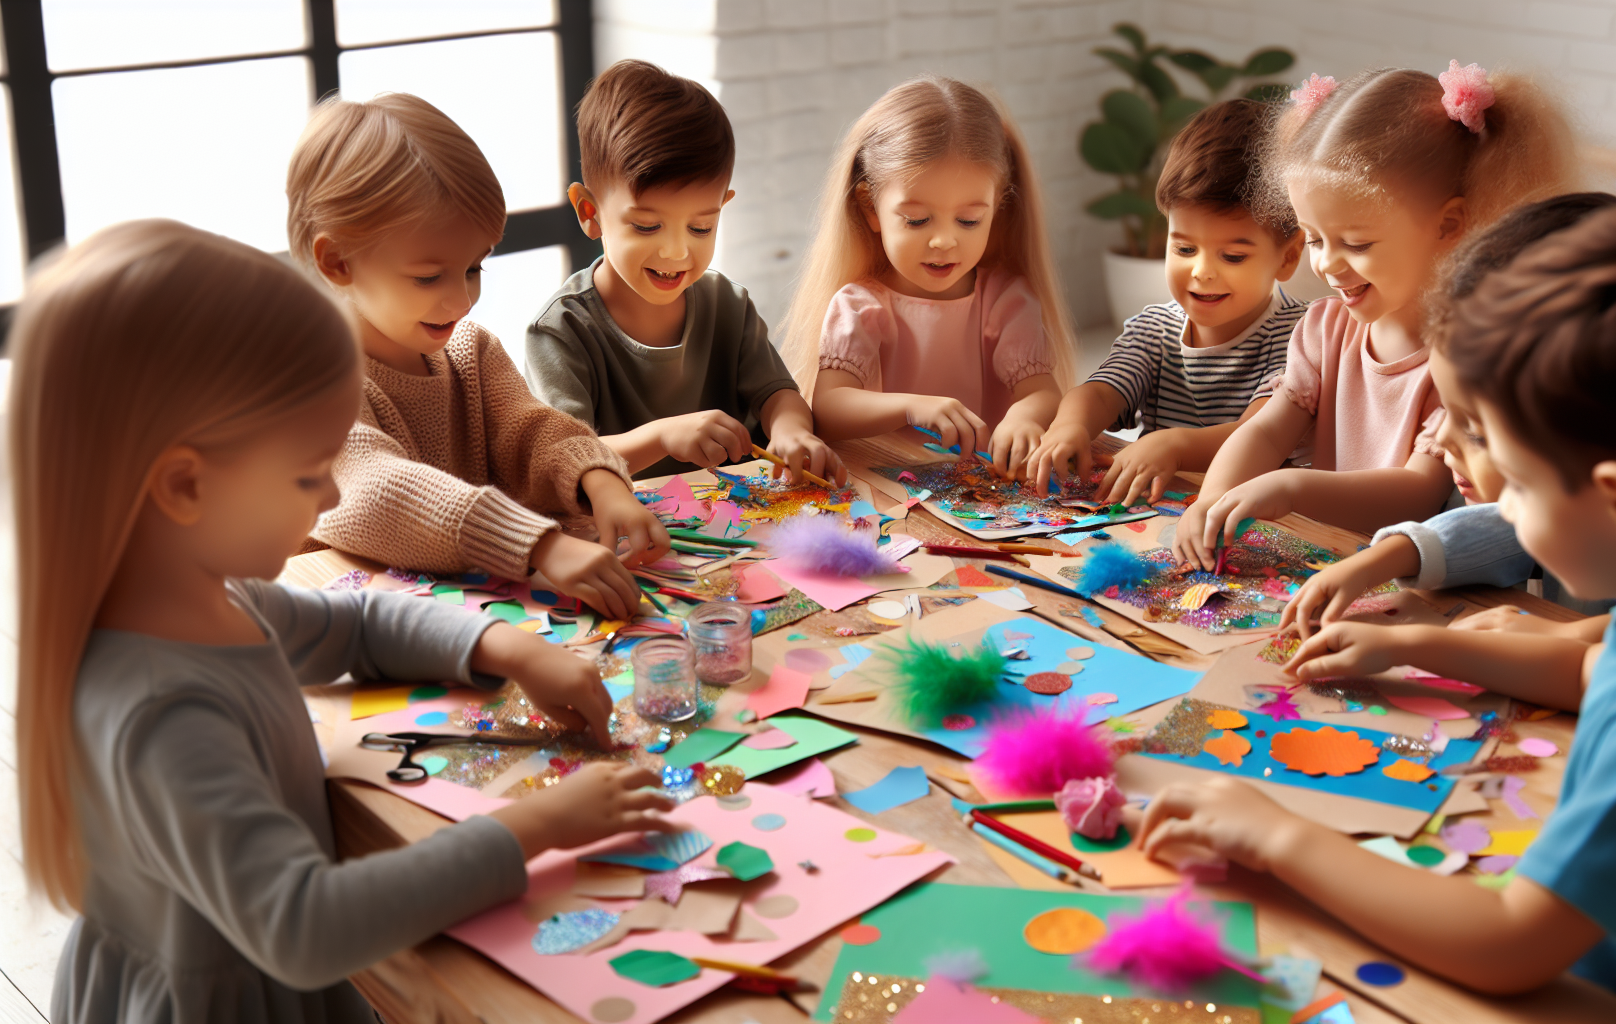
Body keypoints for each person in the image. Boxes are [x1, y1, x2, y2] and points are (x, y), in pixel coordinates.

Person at [14, 221, 677, 1024]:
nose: (329, 502)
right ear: (184, 487)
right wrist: (538, 827)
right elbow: (305, 926)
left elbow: (354, 624)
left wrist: (502, 645)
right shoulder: (161, 709)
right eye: (305, 476)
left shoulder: (209, 596)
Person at [1144, 199, 1616, 1021]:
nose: (1499, 506)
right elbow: (1593, 664)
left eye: (1514, 483)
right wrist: (1422, 646)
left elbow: (1509, 944)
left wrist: (1276, 835)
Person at [1175, 62, 1575, 566]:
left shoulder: (1465, 356)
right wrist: (1213, 498)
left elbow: (1418, 492)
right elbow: (1265, 429)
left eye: (1357, 243)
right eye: (1314, 238)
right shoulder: (1326, 326)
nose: (1325, 264)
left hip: (1419, 578)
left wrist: (1292, 486)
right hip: (1324, 560)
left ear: (1448, 225)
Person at [288, 93, 666, 617]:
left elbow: (531, 431)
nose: (462, 300)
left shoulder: (471, 349)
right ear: (337, 262)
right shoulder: (310, 381)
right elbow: (377, 490)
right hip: (339, 635)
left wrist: (599, 481)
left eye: (474, 268)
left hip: (463, 624)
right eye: (428, 276)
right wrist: (541, 546)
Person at [1280, 192, 1616, 641]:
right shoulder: (1579, 501)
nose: (1442, 438)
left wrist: (1558, 639)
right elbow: (1508, 526)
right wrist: (1380, 561)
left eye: (1478, 432)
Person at [525, 60, 841, 483]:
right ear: (590, 212)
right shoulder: (560, 332)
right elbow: (562, 458)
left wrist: (791, 430)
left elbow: (777, 394)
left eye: (700, 227)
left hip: (740, 527)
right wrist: (662, 437)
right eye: (646, 226)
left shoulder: (727, 305)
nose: (676, 251)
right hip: (632, 532)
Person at [780, 76, 1077, 474]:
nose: (943, 241)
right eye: (917, 220)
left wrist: (1025, 417)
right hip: (892, 489)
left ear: (997, 208)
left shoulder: (1005, 299)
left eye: (969, 221)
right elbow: (830, 408)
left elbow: (1042, 392)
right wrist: (912, 406)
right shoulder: (861, 306)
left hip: (986, 492)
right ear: (870, 208)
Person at [1028, 100, 1309, 506]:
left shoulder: (1302, 337)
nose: (1202, 271)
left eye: (1232, 256)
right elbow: (1102, 391)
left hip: (1254, 523)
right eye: (1183, 247)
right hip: (1154, 518)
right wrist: (1070, 425)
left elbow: (1260, 433)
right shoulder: (1154, 328)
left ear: (1287, 256)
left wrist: (1175, 445)